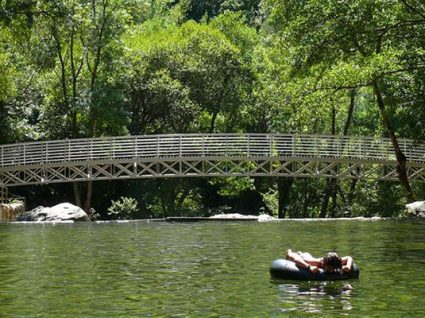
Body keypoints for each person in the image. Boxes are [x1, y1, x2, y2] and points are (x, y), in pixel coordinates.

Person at [286, 249, 353, 273]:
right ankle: (290, 251)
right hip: (305, 258)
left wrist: (348, 266)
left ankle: (300, 252)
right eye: (330, 269)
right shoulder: (316, 263)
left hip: (310, 257)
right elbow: (297, 260)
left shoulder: (335, 261)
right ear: (324, 264)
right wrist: (309, 267)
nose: (332, 271)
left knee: (306, 255)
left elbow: (348, 257)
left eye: (333, 269)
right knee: (292, 255)